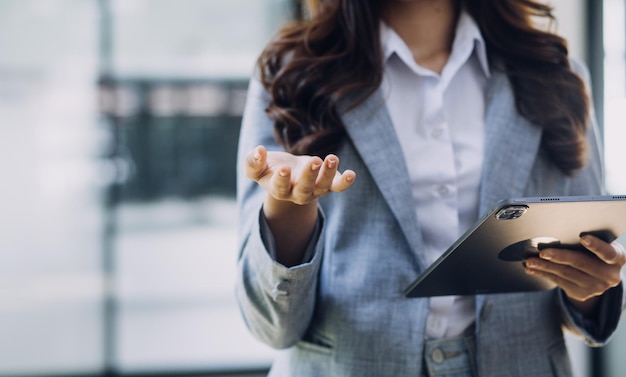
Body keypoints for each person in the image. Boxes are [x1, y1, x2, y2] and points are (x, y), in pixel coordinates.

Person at [235, 0, 626, 376]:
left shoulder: (555, 73)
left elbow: (584, 273)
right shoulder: (289, 75)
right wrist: (290, 206)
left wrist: (588, 287)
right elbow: (272, 325)